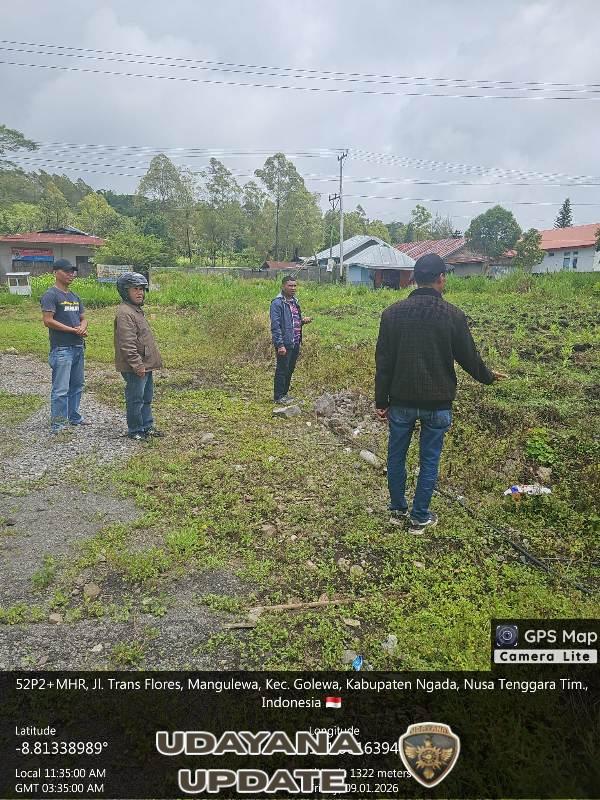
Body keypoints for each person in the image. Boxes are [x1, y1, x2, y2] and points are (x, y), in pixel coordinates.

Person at [375, 253, 507, 534]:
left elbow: (384, 362)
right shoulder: (453, 315)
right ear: (441, 278)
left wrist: (381, 401)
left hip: (400, 401)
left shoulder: (391, 314)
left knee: (396, 456)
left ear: (414, 278)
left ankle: (397, 509)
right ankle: (419, 516)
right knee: (429, 460)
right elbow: (468, 357)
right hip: (437, 403)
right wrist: (488, 377)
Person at [40, 258, 89, 433]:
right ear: (56, 272)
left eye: (72, 271)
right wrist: (72, 330)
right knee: (61, 388)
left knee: (77, 385)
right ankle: (58, 423)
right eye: (66, 271)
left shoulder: (74, 296)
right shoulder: (51, 295)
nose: (71, 274)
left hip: (78, 347)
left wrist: (82, 328)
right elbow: (48, 321)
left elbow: (83, 317)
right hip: (62, 348)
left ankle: (74, 417)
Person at [114, 272, 163, 441]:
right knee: (136, 399)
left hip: (146, 363)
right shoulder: (125, 313)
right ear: (125, 291)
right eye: (135, 289)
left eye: (142, 289)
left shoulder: (135, 310)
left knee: (146, 397)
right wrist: (137, 365)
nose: (140, 292)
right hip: (136, 366)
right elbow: (127, 343)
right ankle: (135, 429)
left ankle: (147, 426)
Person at [269, 275, 312, 404]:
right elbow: (276, 326)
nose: (293, 288)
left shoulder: (294, 302)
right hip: (285, 343)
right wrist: (280, 344)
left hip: (295, 341)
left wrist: (302, 321)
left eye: (295, 285)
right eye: (290, 285)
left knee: (290, 369)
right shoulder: (277, 303)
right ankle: (278, 396)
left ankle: (284, 394)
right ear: (283, 286)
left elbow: (292, 322)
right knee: (282, 369)